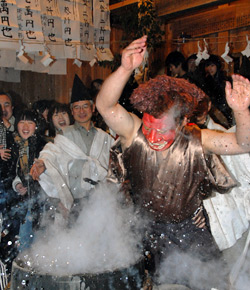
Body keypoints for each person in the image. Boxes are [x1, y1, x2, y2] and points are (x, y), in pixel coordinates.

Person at [96, 36, 250, 288]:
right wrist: (125, 69)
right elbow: (104, 105)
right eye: (149, 127)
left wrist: (242, 111)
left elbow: (244, 144)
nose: (154, 138)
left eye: (164, 130)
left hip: (191, 230)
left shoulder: (196, 138)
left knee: (211, 285)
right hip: (151, 232)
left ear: (182, 124)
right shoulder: (134, 134)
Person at [30, 74, 114, 227]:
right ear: (72, 111)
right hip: (74, 200)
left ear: (93, 108)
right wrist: (42, 163)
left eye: (85, 106)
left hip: (98, 201)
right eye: (76, 107)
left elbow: (114, 168)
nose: (81, 111)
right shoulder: (65, 134)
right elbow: (52, 151)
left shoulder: (105, 138)